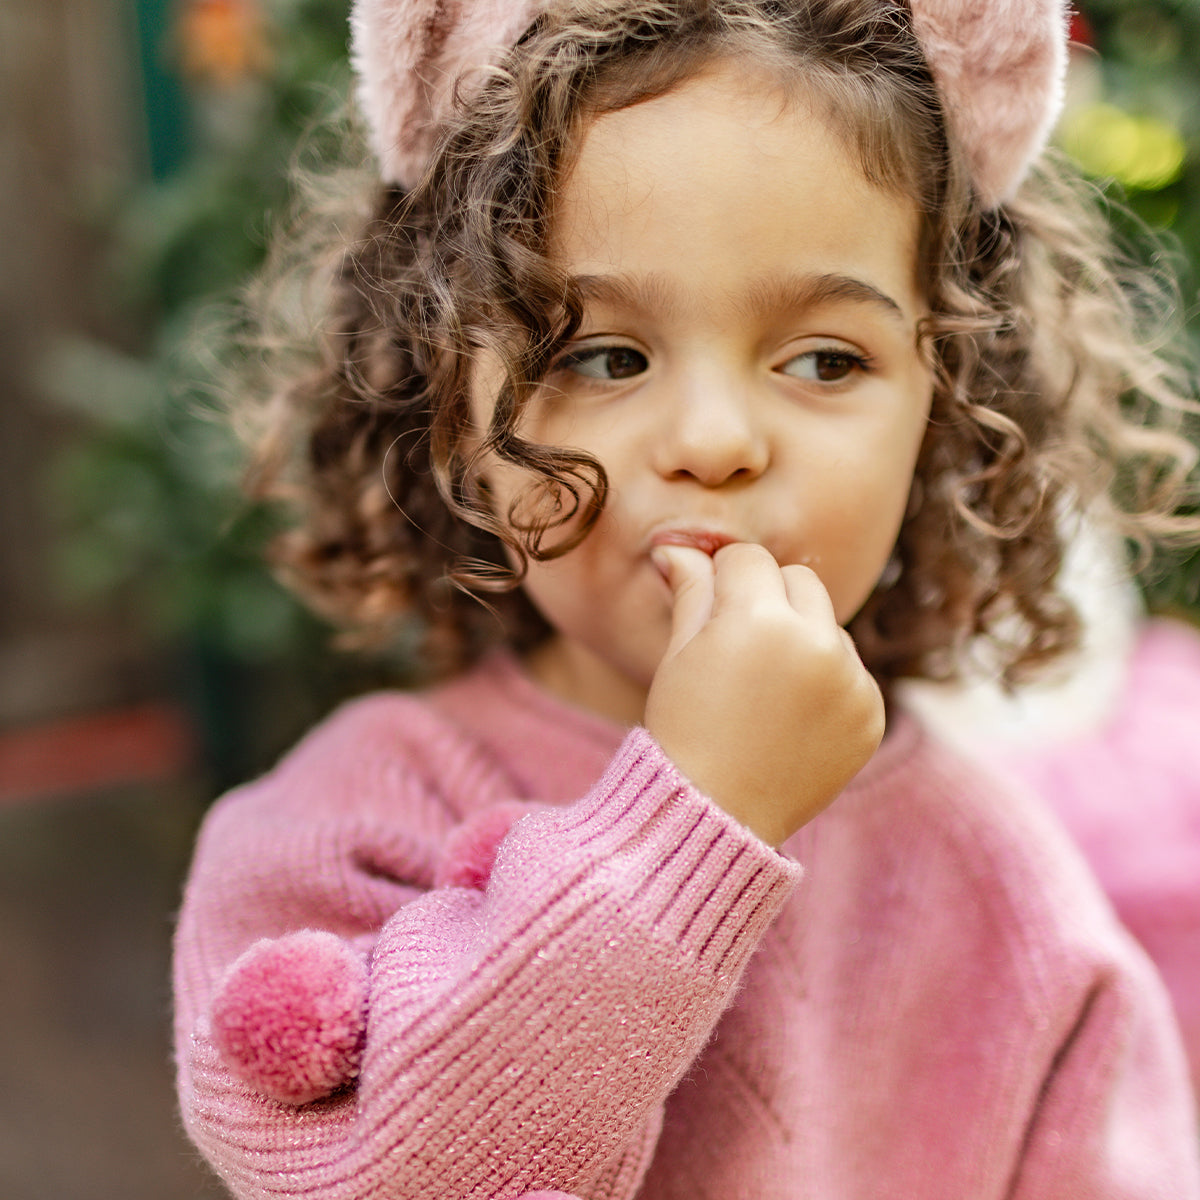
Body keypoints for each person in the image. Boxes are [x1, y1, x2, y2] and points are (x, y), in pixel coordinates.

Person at [172, 1, 1200, 1196]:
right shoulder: (341, 830)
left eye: (826, 359)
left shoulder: (1009, 896)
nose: (715, 442)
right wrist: (689, 827)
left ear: (950, 402)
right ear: (454, 411)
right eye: (603, 356)